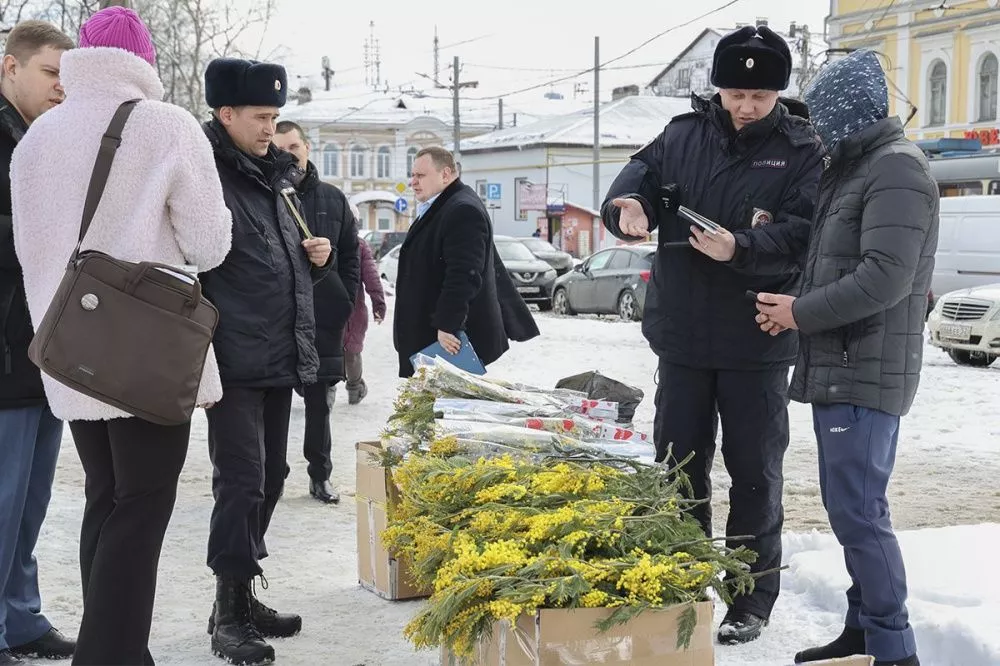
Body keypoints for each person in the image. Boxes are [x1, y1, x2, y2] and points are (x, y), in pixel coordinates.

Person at [10, 8, 233, 665]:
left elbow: (32, 250)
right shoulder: (165, 127)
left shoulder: (39, 136)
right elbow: (209, 243)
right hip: (144, 350)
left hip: (71, 348)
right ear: (144, 62)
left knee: (108, 498)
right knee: (141, 505)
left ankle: (122, 650)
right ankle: (108, 656)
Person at [601, 25, 824, 644]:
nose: (746, 106)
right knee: (677, 467)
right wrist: (629, 207)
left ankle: (751, 598)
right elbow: (632, 179)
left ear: (777, 92)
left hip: (756, 338)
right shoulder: (682, 134)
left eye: (759, 95)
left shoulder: (803, 149)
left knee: (754, 472)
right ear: (718, 87)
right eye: (735, 92)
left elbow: (807, 234)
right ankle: (681, 579)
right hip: (682, 336)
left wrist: (741, 247)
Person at [755, 49, 937, 666]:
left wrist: (798, 313)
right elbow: (833, 262)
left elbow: (885, 277)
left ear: (846, 112)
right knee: (850, 508)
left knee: (860, 513)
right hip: (843, 363)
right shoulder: (857, 168)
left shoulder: (896, 171)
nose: (814, 130)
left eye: (821, 117)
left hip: (865, 367)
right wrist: (794, 299)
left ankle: (895, 649)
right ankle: (863, 632)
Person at [200, 57, 332, 664]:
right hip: (228, 355)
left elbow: (278, 258)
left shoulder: (275, 176)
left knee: (272, 478)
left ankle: (243, 590)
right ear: (225, 114)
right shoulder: (205, 172)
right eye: (259, 117)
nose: (269, 129)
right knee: (241, 482)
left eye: (275, 117)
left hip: (279, 351)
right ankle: (228, 612)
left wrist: (317, 256)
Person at [0, 19, 75, 666]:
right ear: (10, 67)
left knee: (29, 503)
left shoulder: (43, 139)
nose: (61, 87)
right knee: (1, 501)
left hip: (44, 353)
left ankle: (20, 620)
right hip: (5, 355)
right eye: (52, 72)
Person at [272, 120, 359, 505]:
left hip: (323, 315)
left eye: (294, 146)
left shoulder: (333, 198)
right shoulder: (266, 192)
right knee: (270, 401)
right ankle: (271, 471)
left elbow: (351, 256)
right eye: (281, 148)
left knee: (320, 404)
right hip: (276, 316)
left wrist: (346, 300)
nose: (289, 154)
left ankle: (319, 475)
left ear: (307, 147)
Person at [393, 147, 538, 378]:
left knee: (442, 407)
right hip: (431, 333)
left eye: (420, 176)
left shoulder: (462, 210)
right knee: (431, 406)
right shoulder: (444, 205)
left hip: (446, 339)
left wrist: (448, 324)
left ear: (446, 174)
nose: (413, 182)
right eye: (412, 175)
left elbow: (464, 274)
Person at [341, 202, 386, 405]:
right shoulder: (360, 245)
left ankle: (326, 389)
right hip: (354, 310)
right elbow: (371, 277)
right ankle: (355, 388)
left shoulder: (325, 241)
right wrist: (378, 303)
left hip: (327, 308)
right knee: (352, 351)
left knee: (329, 349)